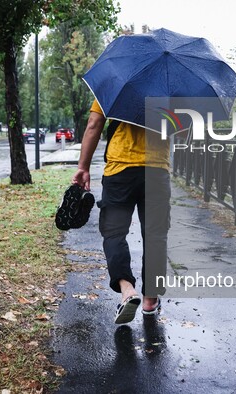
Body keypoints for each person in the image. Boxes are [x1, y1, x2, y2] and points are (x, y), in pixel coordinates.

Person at [72, 99, 171, 324]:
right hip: (157, 170)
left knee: (114, 233)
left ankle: (127, 290)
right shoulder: (172, 88)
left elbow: (94, 124)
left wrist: (83, 167)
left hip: (120, 169)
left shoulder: (116, 80)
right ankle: (149, 300)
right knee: (156, 236)